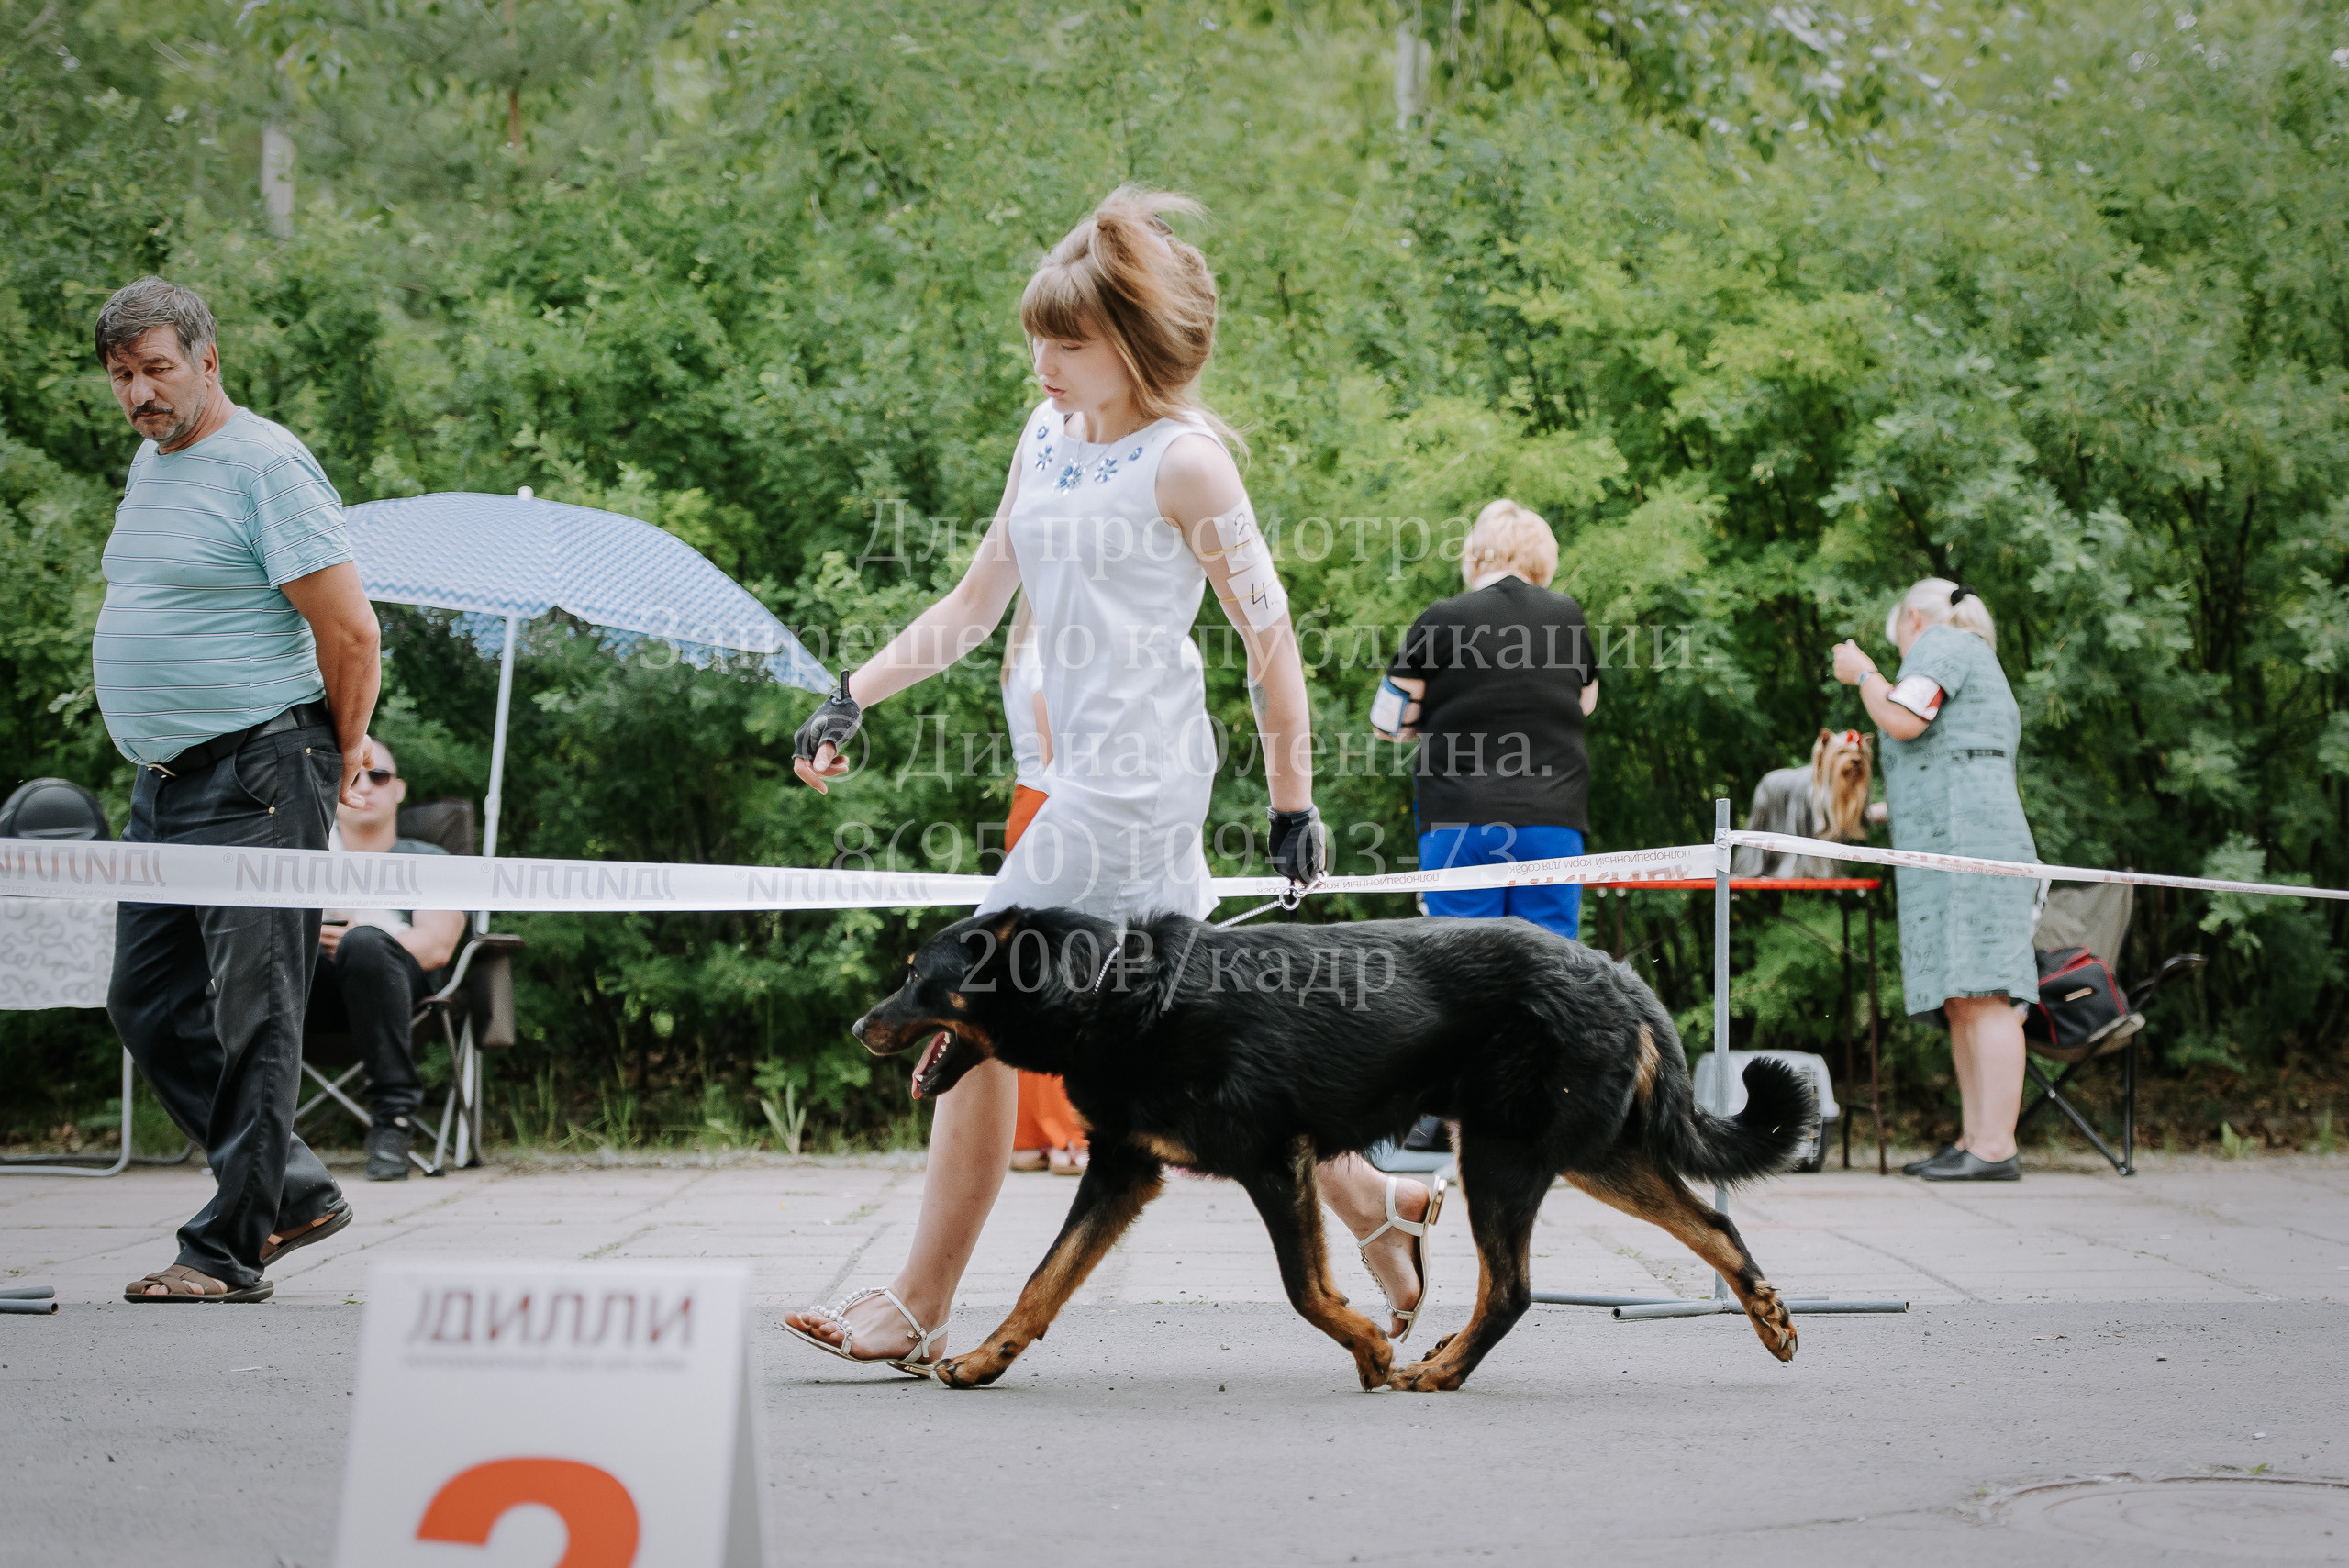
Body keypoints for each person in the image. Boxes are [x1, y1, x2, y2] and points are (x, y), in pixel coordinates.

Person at [781, 187, 1439, 1370]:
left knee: (971, 993)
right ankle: (1371, 1203)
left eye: (1068, 340)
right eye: (1038, 333)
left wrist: (1295, 803)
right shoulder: (1042, 435)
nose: (1041, 358)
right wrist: (853, 692)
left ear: (1131, 345)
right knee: (1201, 1030)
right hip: (1076, 771)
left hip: (1133, 786)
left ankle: (920, 1295)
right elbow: (978, 600)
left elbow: (1268, 639)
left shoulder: (1188, 465)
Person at [95, 276, 382, 1301]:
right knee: (144, 998)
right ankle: (293, 1186)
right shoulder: (152, 461)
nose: (140, 393)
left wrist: (339, 749)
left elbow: (349, 629)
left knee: (253, 1013)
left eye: (158, 369)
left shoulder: (264, 463)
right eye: (123, 376)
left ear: (208, 361)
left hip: (263, 769)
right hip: (167, 782)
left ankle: (227, 1246)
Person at [1832, 580, 2037, 1182]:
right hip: (1956, 838)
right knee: (1962, 998)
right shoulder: (1969, 654)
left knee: (1986, 990)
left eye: (1896, 635)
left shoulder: (1945, 642)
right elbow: (1946, 762)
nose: (1897, 648)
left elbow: (1903, 716)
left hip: (1971, 844)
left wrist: (1864, 672)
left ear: (1912, 618)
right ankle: (1976, 1139)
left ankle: (1996, 1146)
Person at [1372, 498, 1598, 940]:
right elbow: (1585, 703)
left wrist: (1429, 717)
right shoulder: (1568, 616)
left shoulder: (1442, 618)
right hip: (1552, 821)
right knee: (1553, 973)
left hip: (1460, 822)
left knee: (1466, 969)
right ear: (1542, 556)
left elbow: (1387, 720)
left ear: (1475, 553)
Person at [310, 736, 465, 1181]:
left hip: (398, 994)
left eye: (379, 775)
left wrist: (364, 937)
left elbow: (436, 946)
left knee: (364, 945)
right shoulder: (303, 859)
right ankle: (251, 1127)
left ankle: (393, 1121)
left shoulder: (428, 860)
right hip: (308, 990)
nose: (366, 786)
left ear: (398, 789)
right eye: (351, 776)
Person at [999, 596, 1089, 1177]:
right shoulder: (1052, 658)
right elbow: (1064, 762)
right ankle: (1066, 1137)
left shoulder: (1019, 655)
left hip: (1026, 806)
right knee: (1066, 978)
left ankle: (1030, 1136)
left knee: (1028, 977)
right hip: (1056, 811)